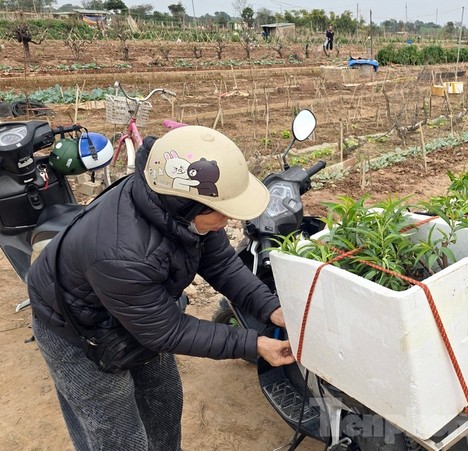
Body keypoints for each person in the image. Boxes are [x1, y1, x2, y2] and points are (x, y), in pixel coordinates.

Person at [28, 125, 295, 450]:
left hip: (137, 310)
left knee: (164, 401)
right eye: (222, 212)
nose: (228, 220)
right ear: (186, 206)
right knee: (116, 432)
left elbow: (222, 265)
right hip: (75, 327)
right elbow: (166, 331)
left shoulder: (181, 207)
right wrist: (255, 344)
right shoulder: (122, 253)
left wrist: (272, 309)